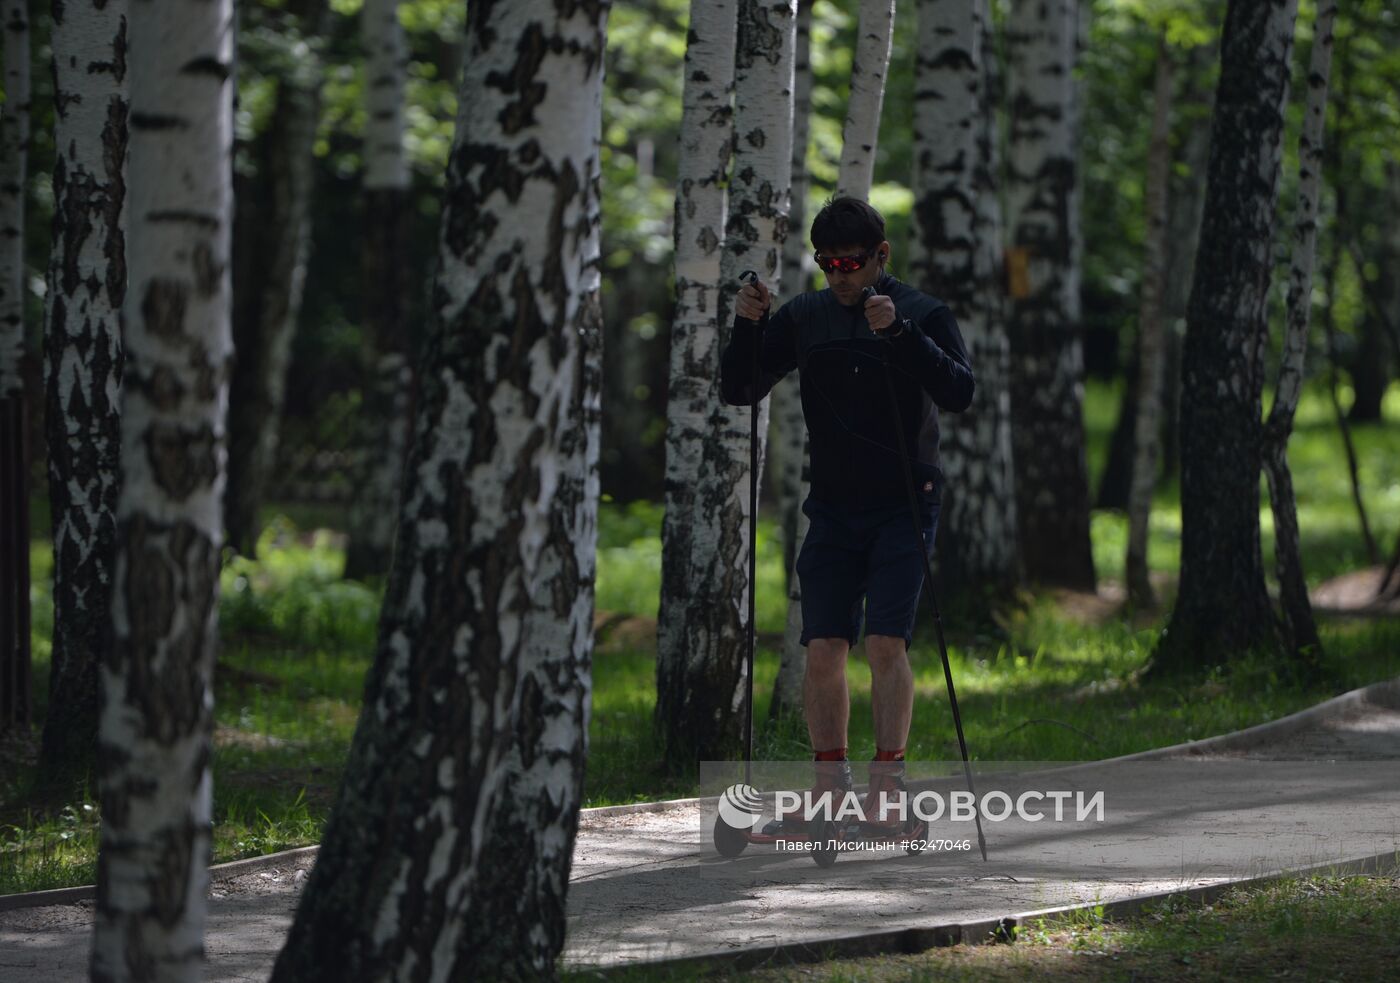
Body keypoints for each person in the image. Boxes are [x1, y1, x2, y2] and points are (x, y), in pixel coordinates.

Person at [720, 196, 975, 829]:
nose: (839, 276)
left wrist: (901, 336)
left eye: (851, 264)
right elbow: (739, 388)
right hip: (833, 509)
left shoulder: (920, 312)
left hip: (903, 506)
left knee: (886, 643)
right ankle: (829, 791)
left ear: (881, 257)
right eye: (827, 264)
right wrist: (748, 326)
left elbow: (960, 392)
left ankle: (887, 793)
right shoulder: (808, 316)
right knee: (824, 648)